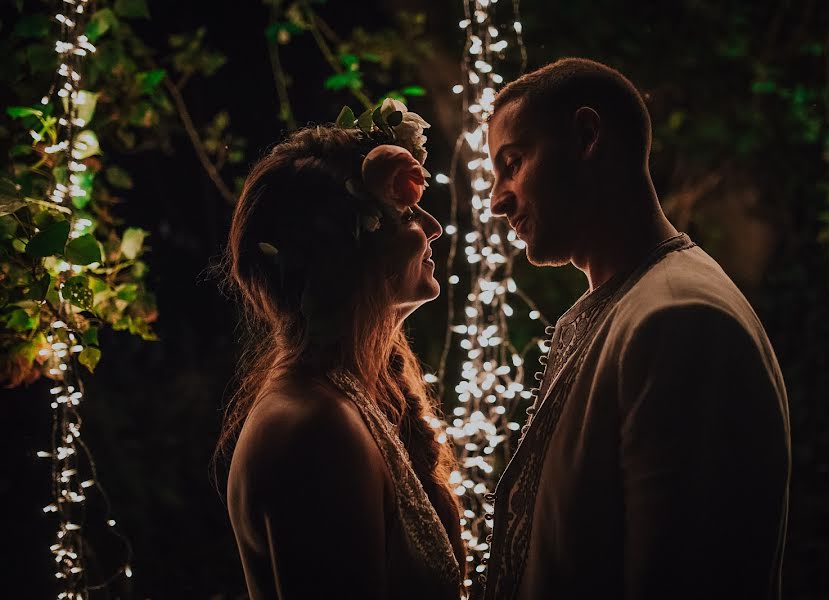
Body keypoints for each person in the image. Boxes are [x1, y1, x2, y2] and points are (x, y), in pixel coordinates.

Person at [482, 58, 791, 599]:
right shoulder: (631, 304)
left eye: (513, 162)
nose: (497, 199)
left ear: (586, 136)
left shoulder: (677, 320)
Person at [216, 100, 465, 599]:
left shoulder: (348, 400)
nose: (434, 227)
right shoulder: (314, 427)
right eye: (408, 212)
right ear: (349, 249)